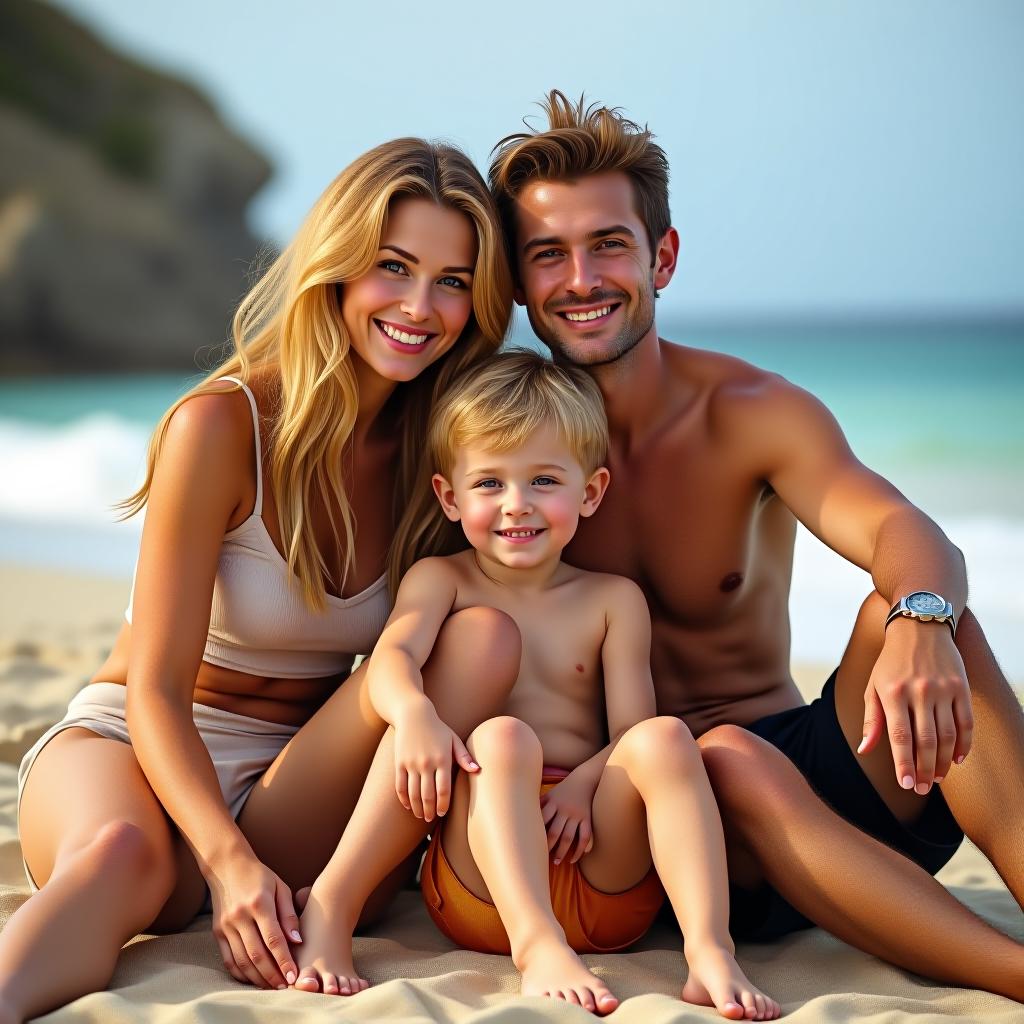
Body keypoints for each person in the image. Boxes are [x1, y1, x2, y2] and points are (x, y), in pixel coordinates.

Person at [484, 91, 1024, 1002]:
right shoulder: (502, 457)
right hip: (644, 831)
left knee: (925, 615)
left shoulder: (751, 413)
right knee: (721, 754)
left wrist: (920, 622)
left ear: (663, 256)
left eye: (608, 244)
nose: (581, 278)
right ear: (518, 283)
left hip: (820, 785)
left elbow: (898, 527)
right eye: (548, 254)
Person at [0, 138, 519, 1024]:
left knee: (481, 639)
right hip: (138, 748)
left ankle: (321, 896)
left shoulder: (442, 456)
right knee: (128, 855)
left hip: (290, 782)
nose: (419, 306)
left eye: (453, 281)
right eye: (393, 267)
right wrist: (228, 863)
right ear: (338, 267)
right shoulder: (223, 424)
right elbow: (157, 691)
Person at [288, 350, 782, 1020]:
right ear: (449, 496)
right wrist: (414, 716)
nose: (515, 505)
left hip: (600, 872)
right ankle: (534, 944)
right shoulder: (443, 580)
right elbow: (394, 656)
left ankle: (709, 950)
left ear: (590, 491)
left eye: (543, 480)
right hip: (484, 885)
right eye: (489, 483)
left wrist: (585, 781)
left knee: (666, 737)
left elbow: (632, 735)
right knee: (500, 738)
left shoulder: (613, 600)